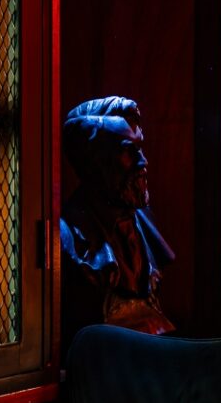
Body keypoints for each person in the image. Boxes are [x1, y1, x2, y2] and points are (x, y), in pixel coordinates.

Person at [60, 96, 175, 334]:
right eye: (127, 151)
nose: (143, 161)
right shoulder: (66, 235)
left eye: (139, 148)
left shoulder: (144, 220)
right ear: (94, 163)